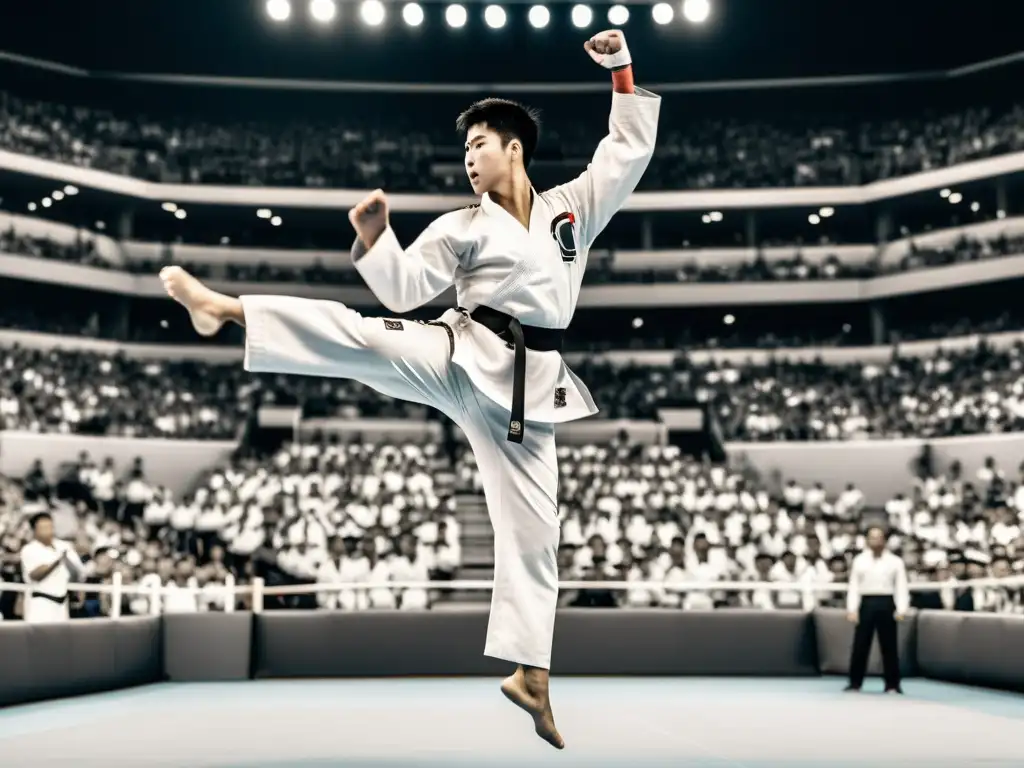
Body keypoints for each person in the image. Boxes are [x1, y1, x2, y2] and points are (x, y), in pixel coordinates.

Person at [158, 29, 659, 749]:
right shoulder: (460, 227)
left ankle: (534, 676)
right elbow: (404, 289)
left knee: (536, 532)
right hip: (458, 352)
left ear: (513, 147)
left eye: (477, 146)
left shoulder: (571, 209)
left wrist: (621, 68)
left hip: (529, 390)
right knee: (358, 336)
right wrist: (376, 240)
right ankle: (227, 309)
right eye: (464, 152)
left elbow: (626, 153)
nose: (467, 161)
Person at [845, 525, 910, 694]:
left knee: (889, 645)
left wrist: (901, 608)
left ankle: (892, 684)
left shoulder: (896, 562)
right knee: (860, 644)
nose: (875, 541)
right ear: (866, 540)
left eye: (878, 537)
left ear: (885, 540)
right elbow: (854, 586)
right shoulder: (859, 560)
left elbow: (901, 587)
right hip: (866, 602)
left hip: (887, 602)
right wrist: (852, 608)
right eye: (871, 537)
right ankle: (855, 683)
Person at [19, 511, 86, 623]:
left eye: (50, 526)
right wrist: (57, 561)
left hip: (63, 602)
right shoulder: (29, 549)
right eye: (43, 527)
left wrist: (80, 590)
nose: (48, 530)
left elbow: (79, 572)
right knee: (38, 639)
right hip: (40, 603)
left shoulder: (64, 546)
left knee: (61, 639)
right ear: (34, 530)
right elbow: (35, 575)